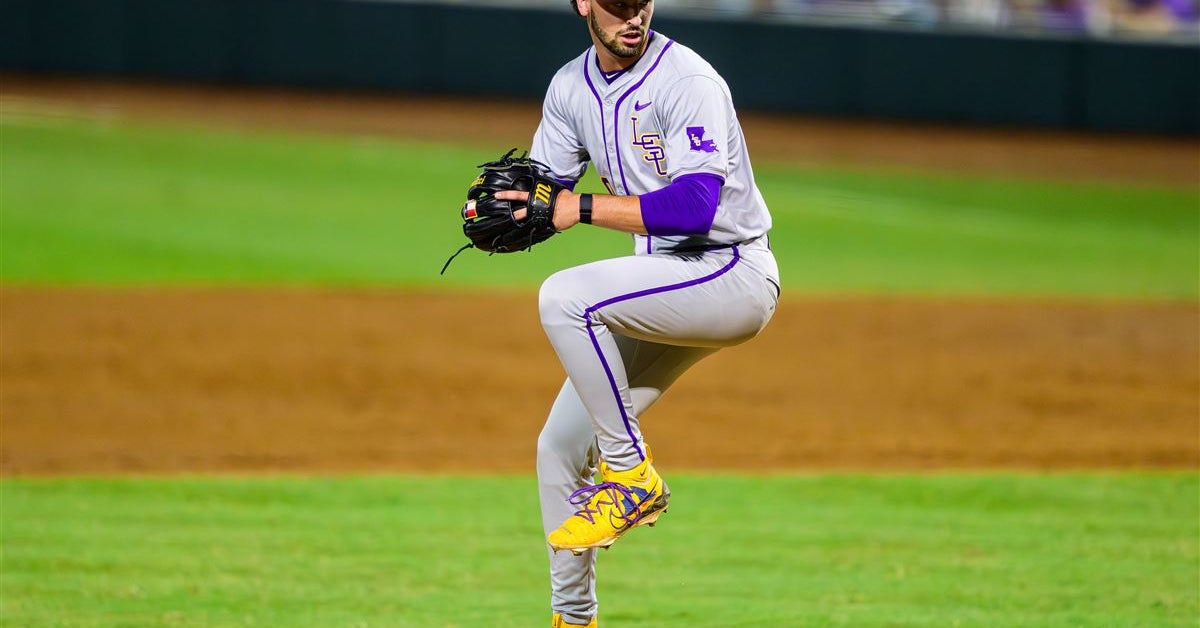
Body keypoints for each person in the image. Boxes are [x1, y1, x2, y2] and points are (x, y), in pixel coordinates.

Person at [494, 1, 781, 625]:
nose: (633, 16)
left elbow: (695, 206)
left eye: (641, 2)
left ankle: (631, 474)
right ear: (581, 4)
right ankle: (574, 619)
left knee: (566, 298)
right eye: (617, 4)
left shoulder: (689, 81)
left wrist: (580, 208)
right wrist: (520, 209)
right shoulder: (571, 87)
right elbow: (549, 192)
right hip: (667, 285)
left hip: (730, 273)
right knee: (559, 446)